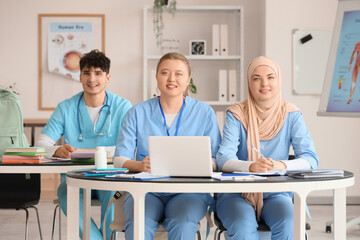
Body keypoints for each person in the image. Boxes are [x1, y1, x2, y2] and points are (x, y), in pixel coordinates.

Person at [114, 52, 221, 240]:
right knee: (140, 224)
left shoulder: (204, 113)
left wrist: (199, 165)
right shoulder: (137, 112)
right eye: (165, 73)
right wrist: (139, 165)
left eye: (179, 74)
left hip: (190, 191)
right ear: (156, 77)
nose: (172, 79)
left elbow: (216, 160)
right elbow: (119, 159)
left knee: (183, 224)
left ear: (188, 79)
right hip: (145, 190)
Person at [215, 56, 318, 240]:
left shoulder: (291, 114)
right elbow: (223, 158)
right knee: (243, 228)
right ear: (248, 82)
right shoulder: (237, 114)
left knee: (290, 226)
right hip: (236, 192)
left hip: (276, 192)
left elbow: (310, 159)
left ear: (279, 80)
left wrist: (282, 165)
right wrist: (250, 167)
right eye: (256, 78)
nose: (264, 83)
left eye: (271, 77)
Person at [35, 49, 132, 240]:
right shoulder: (66, 107)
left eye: (98, 73)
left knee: (113, 194)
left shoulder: (123, 106)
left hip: (110, 175)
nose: (92, 78)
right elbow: (41, 144)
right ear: (80, 76)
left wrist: (97, 153)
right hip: (75, 177)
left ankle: (106, 236)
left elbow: (131, 146)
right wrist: (56, 150)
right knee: (65, 193)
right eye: (86, 72)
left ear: (108, 77)